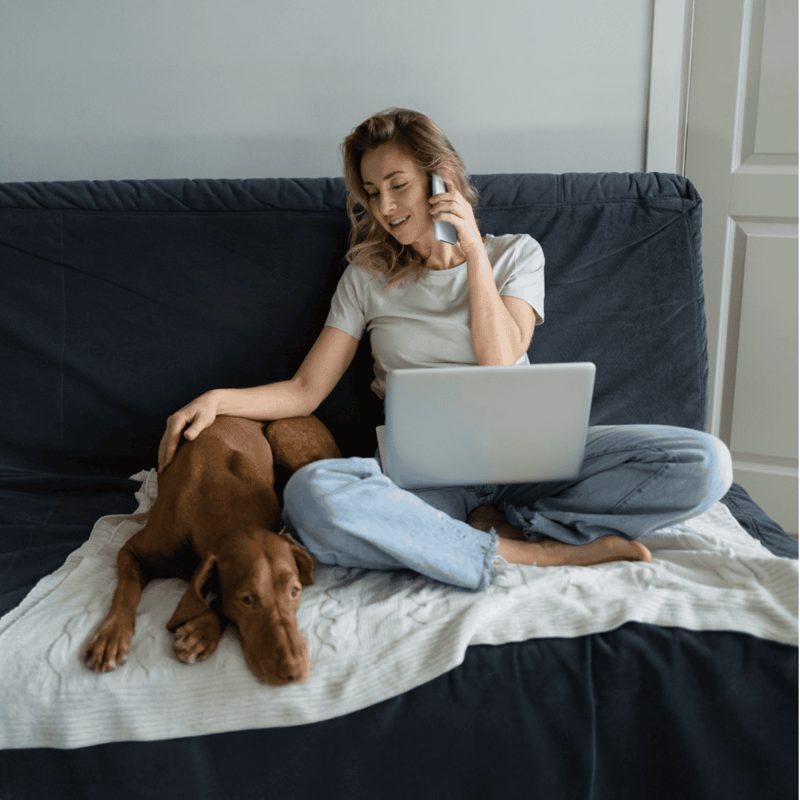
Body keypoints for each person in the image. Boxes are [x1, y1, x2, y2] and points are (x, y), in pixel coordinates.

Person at [158, 108, 733, 591]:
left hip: (530, 463)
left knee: (706, 463)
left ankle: (516, 523)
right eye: (372, 192)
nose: (385, 207)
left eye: (398, 185)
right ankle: (529, 552)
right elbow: (306, 390)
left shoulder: (517, 254)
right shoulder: (366, 276)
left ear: (442, 179)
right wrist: (217, 399)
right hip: (430, 480)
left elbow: (500, 360)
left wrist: (472, 253)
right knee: (311, 499)